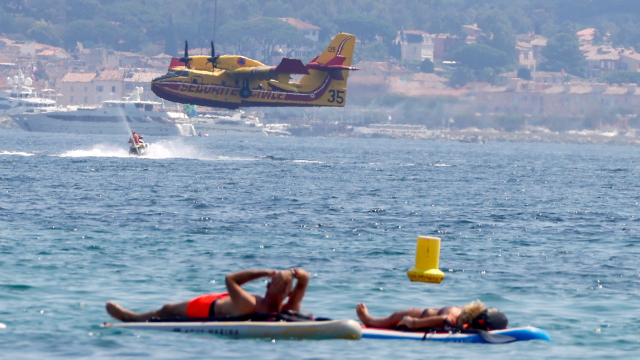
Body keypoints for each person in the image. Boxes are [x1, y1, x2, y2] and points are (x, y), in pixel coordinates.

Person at [106, 268, 309, 322]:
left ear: (288, 292)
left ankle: (132, 316)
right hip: (214, 302)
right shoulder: (252, 302)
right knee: (166, 310)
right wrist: (265, 272)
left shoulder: (288, 307)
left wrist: (292, 273)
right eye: (276, 282)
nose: (281, 285)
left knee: (167, 308)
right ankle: (131, 317)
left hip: (209, 308)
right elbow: (230, 279)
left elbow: (304, 278)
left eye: (285, 285)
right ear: (268, 287)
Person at [356, 300, 508, 331]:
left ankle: (369, 320)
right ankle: (369, 319)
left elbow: (443, 319)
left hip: (423, 315)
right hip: (427, 312)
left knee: (394, 317)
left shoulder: (451, 319)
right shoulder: (461, 315)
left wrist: (411, 322)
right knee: (396, 316)